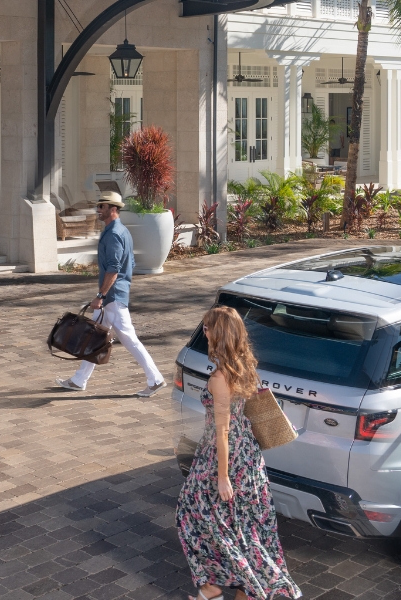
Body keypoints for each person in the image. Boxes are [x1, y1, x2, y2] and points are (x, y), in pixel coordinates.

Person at [175, 306, 300, 600]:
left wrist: (222, 477)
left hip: (224, 456)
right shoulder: (245, 365)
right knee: (242, 527)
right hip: (249, 457)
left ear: (219, 334)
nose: (203, 332)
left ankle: (211, 589)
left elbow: (222, 430)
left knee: (189, 513)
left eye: (207, 328)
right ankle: (231, 590)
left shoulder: (220, 376)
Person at [54, 192, 166, 397]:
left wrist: (101, 295)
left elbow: (114, 269)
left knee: (125, 340)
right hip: (115, 296)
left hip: (112, 298)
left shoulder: (114, 234)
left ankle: (155, 379)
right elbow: (130, 263)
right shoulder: (121, 231)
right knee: (96, 338)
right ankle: (79, 380)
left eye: (102, 206)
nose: (98, 210)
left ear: (112, 209)